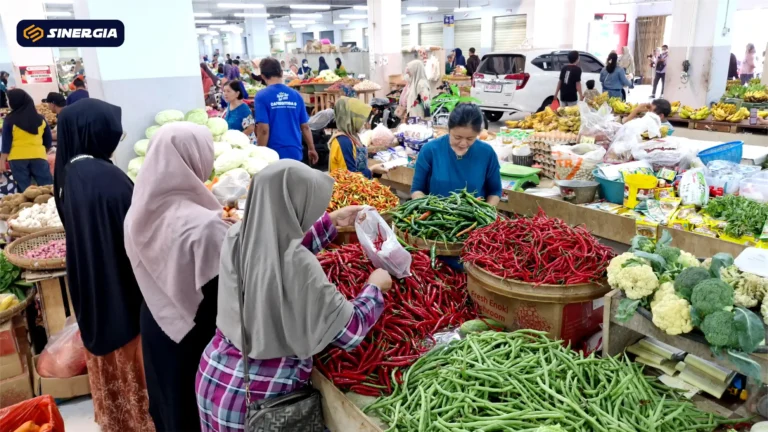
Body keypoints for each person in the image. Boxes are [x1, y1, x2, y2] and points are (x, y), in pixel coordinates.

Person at [196, 160, 390, 432]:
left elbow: (275, 251)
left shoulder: (238, 235)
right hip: (263, 400)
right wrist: (374, 287)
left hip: (216, 374)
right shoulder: (300, 266)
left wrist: (330, 222)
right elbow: (350, 332)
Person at [53, 99, 154, 432]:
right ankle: (140, 422)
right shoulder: (104, 177)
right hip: (120, 291)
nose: (117, 135)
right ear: (94, 130)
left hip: (94, 285)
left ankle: (119, 420)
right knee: (134, 367)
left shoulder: (72, 171)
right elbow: (137, 233)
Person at [124, 123, 230, 432]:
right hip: (196, 333)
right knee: (191, 406)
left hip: (158, 320)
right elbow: (224, 288)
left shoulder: (140, 212)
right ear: (194, 158)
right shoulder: (205, 225)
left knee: (168, 402)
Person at [411, 104, 501, 206]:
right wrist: (431, 211)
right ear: (449, 129)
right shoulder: (430, 150)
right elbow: (417, 190)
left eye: (470, 138)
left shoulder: (486, 152)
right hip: (436, 218)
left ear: (478, 133)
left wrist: (484, 214)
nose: (463, 143)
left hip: (474, 219)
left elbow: (495, 191)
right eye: (457, 137)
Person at [255, 58, 318, 163]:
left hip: (273, 154)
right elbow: (305, 127)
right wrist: (311, 148)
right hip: (295, 152)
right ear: (281, 73)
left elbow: (263, 130)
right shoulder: (296, 95)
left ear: (262, 76)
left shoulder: (261, 96)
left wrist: (260, 154)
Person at [0, 89, 54, 191]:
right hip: (39, 156)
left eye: (8, 100)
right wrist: (41, 151)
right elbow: (48, 141)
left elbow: (6, 143)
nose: (7, 102)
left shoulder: (9, 120)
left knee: (25, 191)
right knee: (47, 188)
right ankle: (52, 205)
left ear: (15, 101)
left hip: (17, 158)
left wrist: (2, 161)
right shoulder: (41, 119)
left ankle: (27, 206)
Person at [328, 97, 388, 178]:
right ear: (351, 119)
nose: (364, 122)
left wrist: (378, 170)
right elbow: (349, 178)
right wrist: (372, 170)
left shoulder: (353, 136)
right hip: (347, 189)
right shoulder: (343, 142)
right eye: (361, 118)